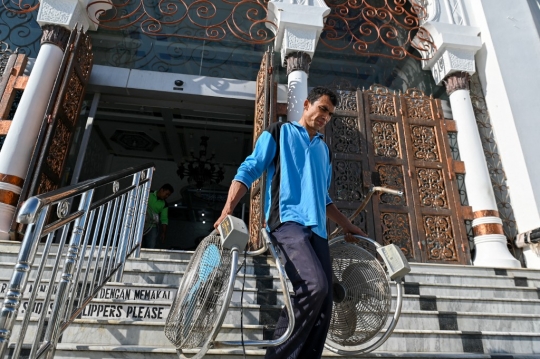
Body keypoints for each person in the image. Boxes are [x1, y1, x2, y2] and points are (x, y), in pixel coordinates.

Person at [214, 86, 366, 359]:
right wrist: (228, 209)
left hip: (317, 231)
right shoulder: (278, 132)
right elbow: (249, 169)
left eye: (330, 114)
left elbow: (324, 198)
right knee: (313, 285)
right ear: (307, 104)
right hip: (287, 224)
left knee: (325, 302)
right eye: (322, 109)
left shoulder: (325, 151)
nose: (325, 117)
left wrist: (345, 225)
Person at [142, 183, 174, 249]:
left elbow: (164, 219)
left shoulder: (164, 204)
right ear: (162, 190)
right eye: (166, 194)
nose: (167, 196)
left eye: (168, 195)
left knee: (151, 246)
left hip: (152, 226)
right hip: (139, 223)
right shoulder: (148, 193)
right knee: (136, 243)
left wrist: (164, 233)